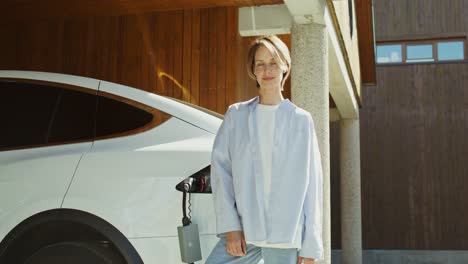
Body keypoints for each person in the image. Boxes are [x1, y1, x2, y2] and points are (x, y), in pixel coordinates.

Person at [206, 35, 323, 264]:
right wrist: (231, 227)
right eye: (260, 63)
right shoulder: (236, 116)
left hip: (285, 238)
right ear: (253, 70)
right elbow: (221, 174)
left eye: (273, 62)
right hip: (244, 231)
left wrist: (309, 246)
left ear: (285, 67)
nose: (267, 70)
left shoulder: (301, 120)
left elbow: (313, 187)